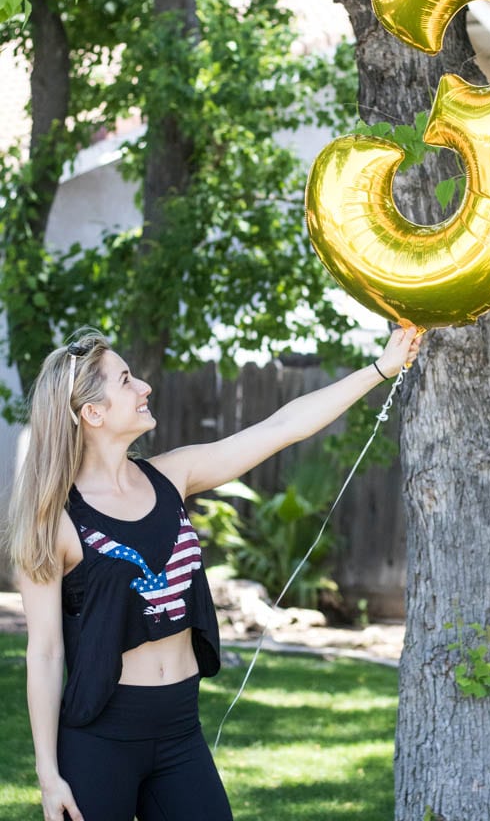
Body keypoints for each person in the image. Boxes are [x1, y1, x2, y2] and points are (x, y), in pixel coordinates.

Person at [7, 325, 422, 821]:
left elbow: (279, 428)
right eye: (125, 381)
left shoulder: (172, 475)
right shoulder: (54, 520)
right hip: (99, 739)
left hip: (181, 730)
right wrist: (48, 775)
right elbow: (47, 652)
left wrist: (380, 369)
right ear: (92, 414)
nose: (144, 388)